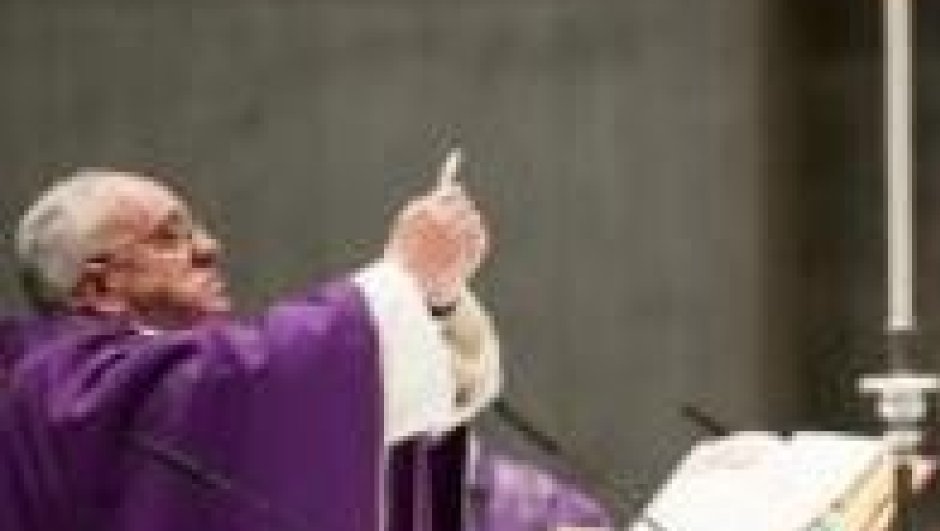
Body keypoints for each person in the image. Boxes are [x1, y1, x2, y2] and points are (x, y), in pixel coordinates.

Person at [0, 166, 611, 531]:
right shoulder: (66, 390)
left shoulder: (148, 379)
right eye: (172, 235)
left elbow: (375, 446)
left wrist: (434, 306)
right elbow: (248, 388)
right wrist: (402, 281)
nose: (209, 247)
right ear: (100, 287)